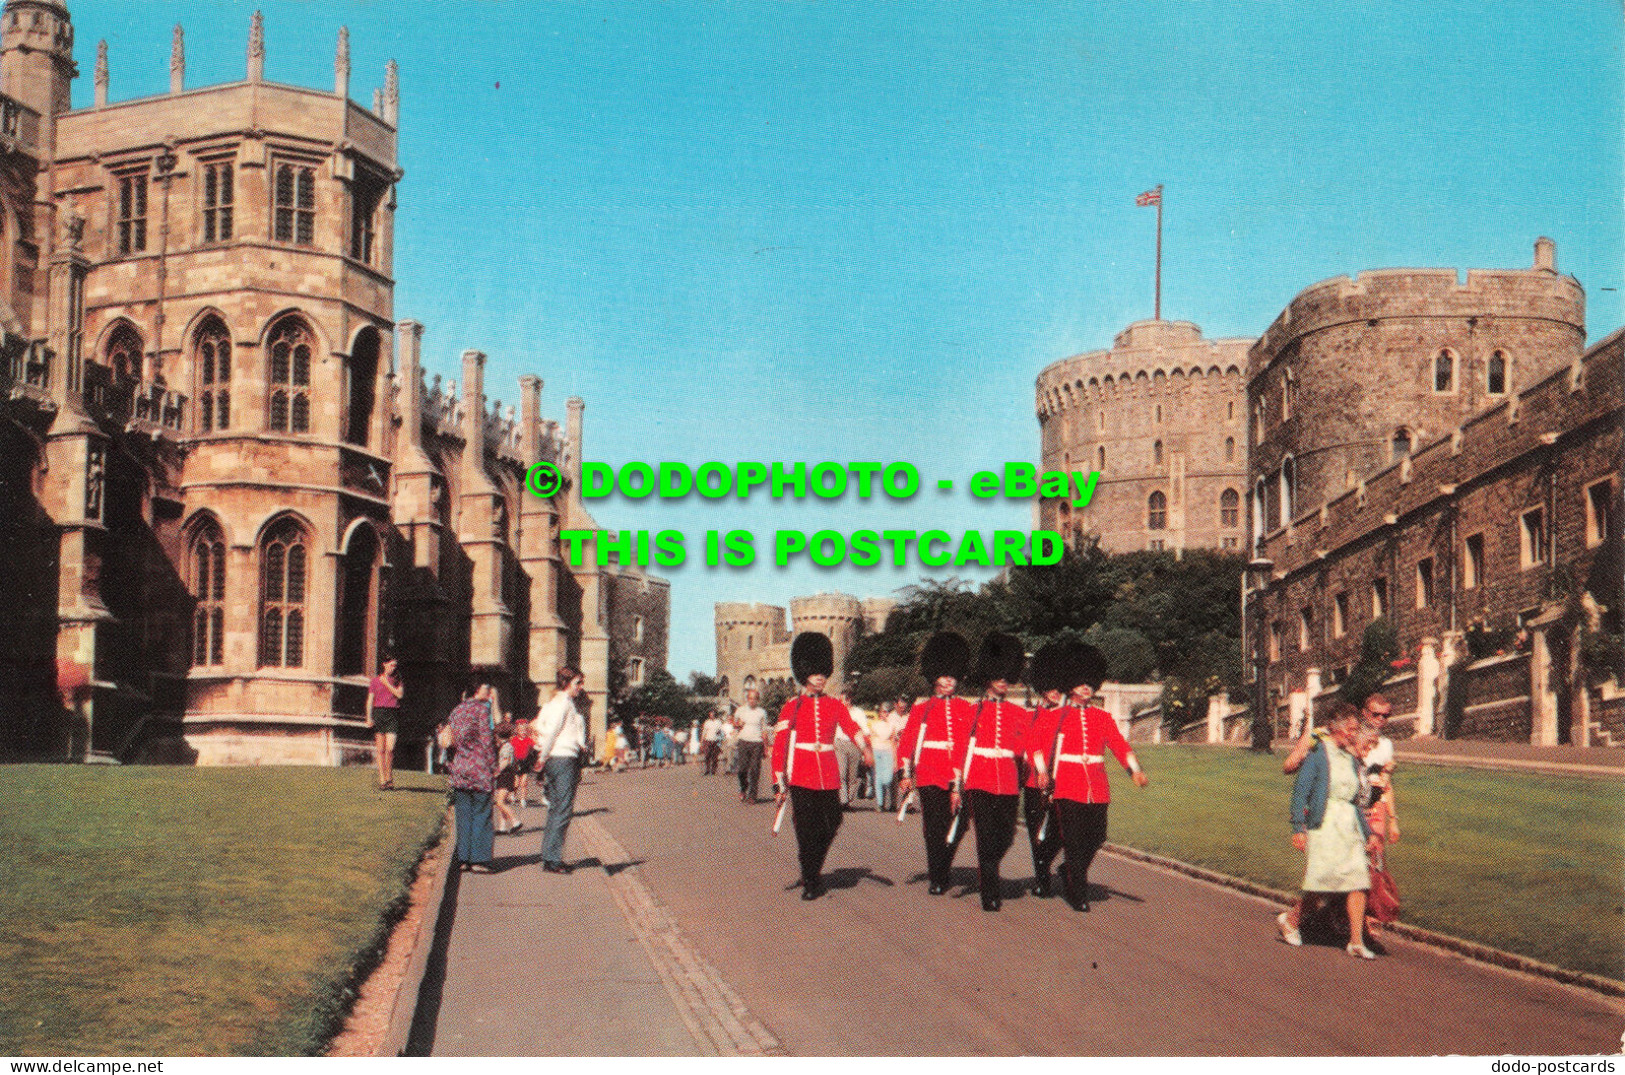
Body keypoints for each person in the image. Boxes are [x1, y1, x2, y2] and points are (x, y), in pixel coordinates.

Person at [1027, 641, 1149, 912]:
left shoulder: (1102, 717)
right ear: (1070, 684)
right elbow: (1034, 744)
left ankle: (1067, 869)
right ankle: (1077, 892)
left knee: (1097, 836)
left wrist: (1135, 770)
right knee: (1073, 839)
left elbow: (1120, 745)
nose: (1086, 687)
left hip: (1096, 786)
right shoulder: (1055, 716)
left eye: (1089, 682)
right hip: (1067, 785)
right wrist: (1042, 771)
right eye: (1080, 682)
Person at [772, 632, 874, 899]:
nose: (819, 677)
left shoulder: (834, 705)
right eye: (814, 672)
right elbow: (780, 745)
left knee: (833, 821)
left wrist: (865, 748)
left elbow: (852, 728)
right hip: (802, 775)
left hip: (828, 774)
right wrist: (778, 780)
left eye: (822, 672)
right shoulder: (791, 706)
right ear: (804, 673)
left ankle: (811, 868)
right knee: (806, 830)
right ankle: (810, 879)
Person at [1278, 700, 1383, 958]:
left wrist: (1369, 833)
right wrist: (1298, 828)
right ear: (1336, 728)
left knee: (1358, 881)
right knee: (1320, 887)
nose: (1353, 733)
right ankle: (1291, 920)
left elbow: (1355, 802)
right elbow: (1300, 793)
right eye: (1350, 729)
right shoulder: (1318, 754)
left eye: (1355, 729)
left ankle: (1356, 942)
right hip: (1323, 824)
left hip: (1348, 826)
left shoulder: (1351, 759)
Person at [953, 633, 1032, 912]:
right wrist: (956, 787)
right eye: (997, 675)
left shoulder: (1018, 712)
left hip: (1008, 781)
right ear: (987, 677)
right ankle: (990, 891)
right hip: (979, 780)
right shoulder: (972, 711)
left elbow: (1027, 744)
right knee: (986, 837)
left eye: (1006, 675)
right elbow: (961, 749)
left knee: (1006, 837)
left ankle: (987, 870)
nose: (1002, 680)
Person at [896, 631, 975, 896]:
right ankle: (938, 875)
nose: (949, 679)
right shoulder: (921, 709)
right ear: (934, 678)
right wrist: (905, 774)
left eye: (952, 675)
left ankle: (942, 864)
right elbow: (907, 744)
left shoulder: (966, 708)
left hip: (958, 773)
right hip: (930, 772)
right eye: (944, 675)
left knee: (960, 823)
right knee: (935, 826)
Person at [1022, 645, 1067, 898]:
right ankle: (1042, 879)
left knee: (1061, 831)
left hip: (1061, 783)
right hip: (1035, 783)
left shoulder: (1067, 715)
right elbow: (1032, 745)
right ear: (1042, 690)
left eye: (1059, 688)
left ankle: (1047, 865)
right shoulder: (1032, 716)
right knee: (1036, 834)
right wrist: (1041, 771)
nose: (1056, 693)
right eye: (1051, 689)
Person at [533, 667, 588, 875]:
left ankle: (550, 856)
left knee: (556, 807)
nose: (581, 688)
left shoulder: (553, 703)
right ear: (567, 683)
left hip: (558, 757)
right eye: (578, 683)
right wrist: (542, 756)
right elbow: (552, 730)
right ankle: (553, 860)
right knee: (562, 808)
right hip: (563, 758)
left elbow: (539, 726)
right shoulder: (563, 703)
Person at [446, 680, 499, 873]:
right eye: (487, 688)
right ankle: (479, 859)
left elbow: (451, 739)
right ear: (477, 690)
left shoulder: (456, 710)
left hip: (460, 767)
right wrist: (494, 765)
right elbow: (486, 741)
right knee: (482, 813)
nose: (489, 691)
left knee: (463, 814)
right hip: (479, 768)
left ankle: (463, 859)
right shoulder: (482, 710)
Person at [367, 658, 404, 790]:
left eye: (395, 665)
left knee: (390, 748)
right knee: (380, 750)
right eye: (391, 665)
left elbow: (399, 695)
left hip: (392, 714)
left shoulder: (397, 680)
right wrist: (368, 717)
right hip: (379, 713)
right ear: (384, 664)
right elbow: (370, 700)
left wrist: (387, 684)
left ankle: (389, 777)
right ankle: (383, 780)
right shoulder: (375, 681)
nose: (393, 667)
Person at [734, 688, 768, 803]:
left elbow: (764, 730)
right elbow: (734, 723)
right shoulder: (740, 710)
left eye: (754, 699)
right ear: (747, 699)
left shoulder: (762, 712)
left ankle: (752, 795)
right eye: (750, 698)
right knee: (742, 769)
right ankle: (744, 787)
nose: (752, 701)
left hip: (757, 742)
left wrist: (766, 747)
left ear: (757, 700)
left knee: (754, 769)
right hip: (743, 741)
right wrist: (738, 724)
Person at [868, 699, 902, 812]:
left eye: (887, 712)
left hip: (887, 752)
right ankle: (880, 803)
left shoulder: (892, 726)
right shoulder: (874, 725)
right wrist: (869, 755)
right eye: (883, 712)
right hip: (876, 751)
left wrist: (895, 760)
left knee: (887, 779)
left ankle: (889, 801)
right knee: (877, 778)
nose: (885, 714)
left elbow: (893, 743)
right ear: (880, 713)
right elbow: (870, 740)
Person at [834, 691, 864, 807]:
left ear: (849, 700)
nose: (841, 703)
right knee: (841, 773)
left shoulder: (858, 713)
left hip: (854, 745)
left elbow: (863, 730)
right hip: (839, 743)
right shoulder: (836, 712)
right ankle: (843, 800)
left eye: (843, 700)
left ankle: (849, 801)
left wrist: (864, 749)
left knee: (852, 775)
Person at [493, 721, 521, 834]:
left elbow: (505, 762)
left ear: (499, 735)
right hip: (504, 776)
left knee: (499, 802)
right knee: (502, 801)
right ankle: (502, 827)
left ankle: (515, 822)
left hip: (505, 775)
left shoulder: (507, 747)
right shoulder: (505, 746)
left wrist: (496, 772)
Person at [511, 721, 537, 808]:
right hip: (516, 763)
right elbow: (510, 749)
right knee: (516, 783)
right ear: (517, 731)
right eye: (521, 731)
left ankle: (523, 799)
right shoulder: (514, 740)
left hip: (525, 763)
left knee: (524, 783)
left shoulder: (529, 740)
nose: (523, 732)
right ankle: (513, 795)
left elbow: (535, 745)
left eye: (525, 731)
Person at [701, 711, 724, 775]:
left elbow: (721, 730)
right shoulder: (707, 722)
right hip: (708, 740)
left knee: (715, 756)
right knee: (707, 756)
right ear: (709, 715)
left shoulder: (718, 722)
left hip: (716, 740)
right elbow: (704, 731)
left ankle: (713, 770)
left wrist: (720, 734)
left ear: (715, 715)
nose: (712, 716)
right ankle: (707, 770)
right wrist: (702, 741)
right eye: (710, 715)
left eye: (713, 715)